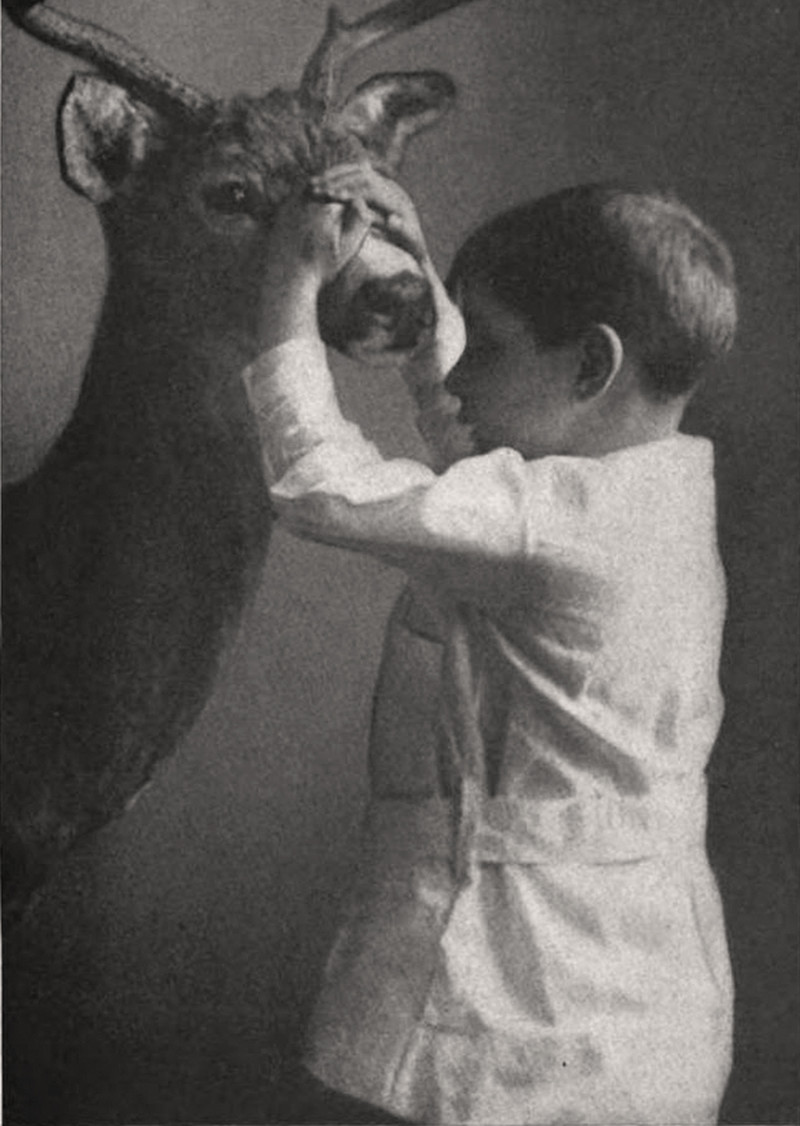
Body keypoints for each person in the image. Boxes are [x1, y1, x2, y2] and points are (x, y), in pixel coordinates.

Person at [244, 165, 737, 1126]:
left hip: (527, 996)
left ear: (590, 368)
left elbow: (317, 485)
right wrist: (428, 284)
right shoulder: (653, 491)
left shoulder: (553, 524)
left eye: (489, 345)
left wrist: (288, 289)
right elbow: (479, 449)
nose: (460, 375)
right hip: (644, 994)